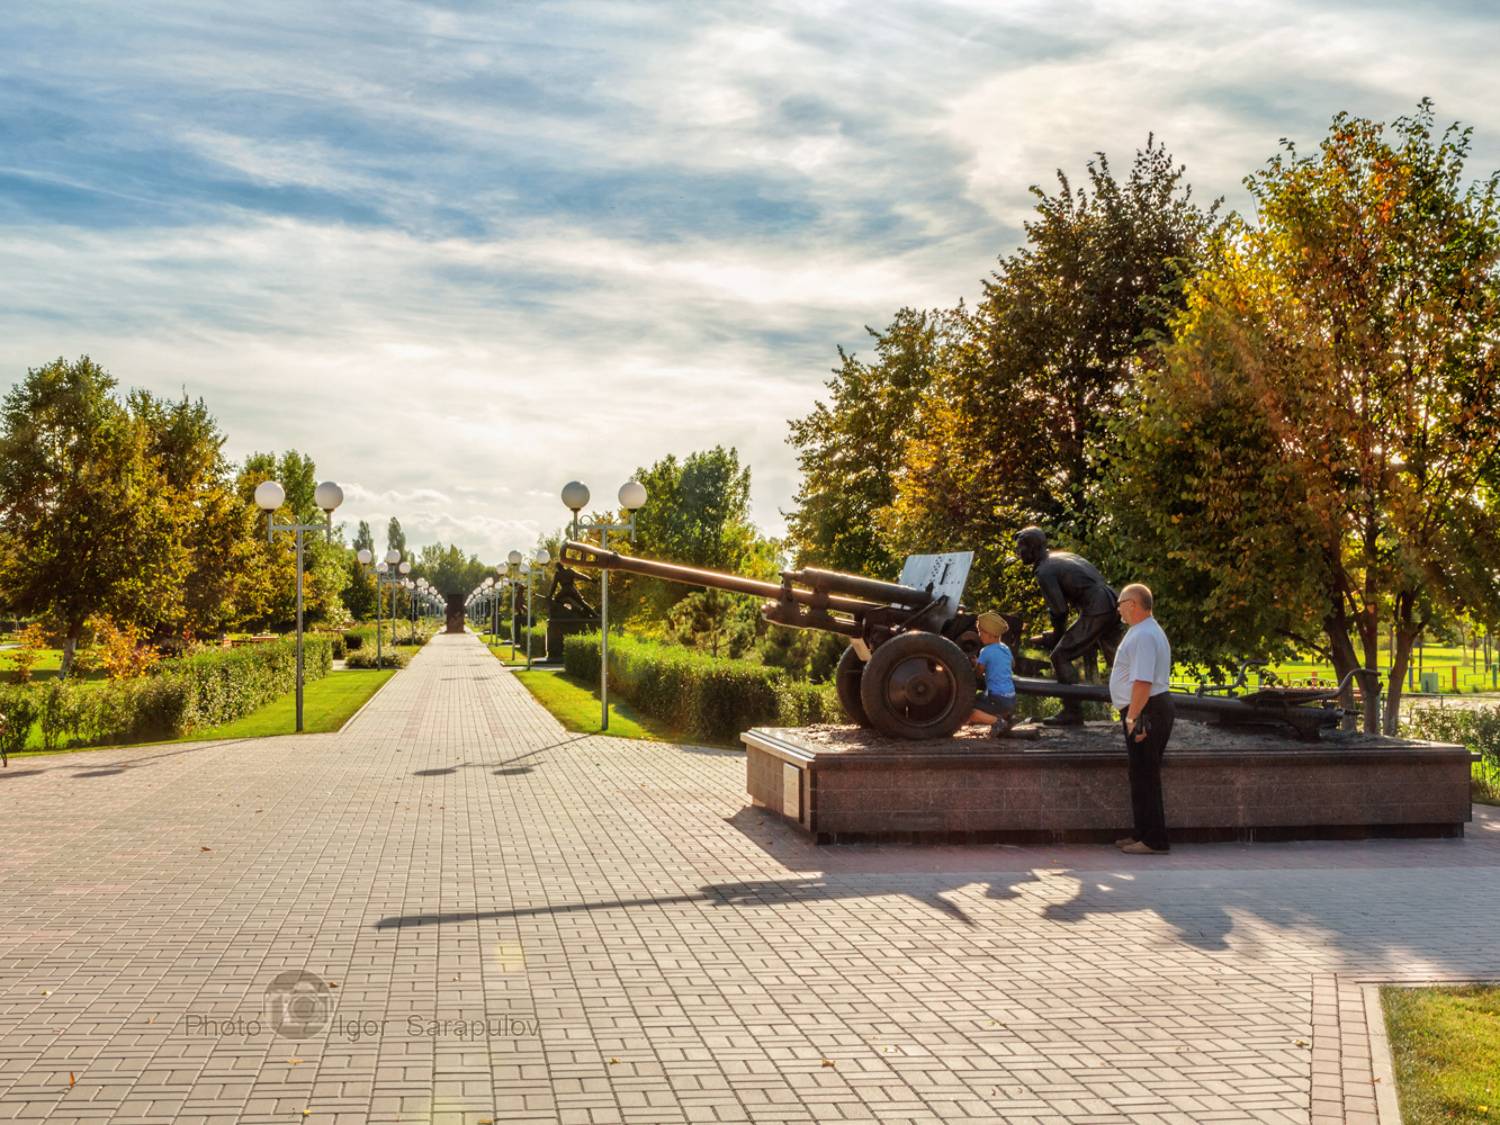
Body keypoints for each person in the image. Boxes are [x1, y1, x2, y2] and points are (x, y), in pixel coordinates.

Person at [1015, 526, 1122, 725]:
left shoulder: (1044, 571)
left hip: (1097, 607)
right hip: (1111, 601)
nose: (1018, 554)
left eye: (1020, 549)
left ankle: (1072, 711)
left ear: (1033, 548)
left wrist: (1057, 636)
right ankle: (1136, 707)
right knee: (1118, 658)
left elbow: (1059, 610)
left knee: (1059, 655)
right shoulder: (1062, 556)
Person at [1111, 583, 1174, 855]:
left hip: (1146, 710)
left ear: (1133, 604)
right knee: (1140, 774)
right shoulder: (1143, 631)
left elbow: (1143, 681)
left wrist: (1132, 717)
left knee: (1146, 775)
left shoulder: (1144, 635)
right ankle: (1142, 834)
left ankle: (1154, 840)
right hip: (1147, 708)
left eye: (1121, 603)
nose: (1119, 609)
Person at [968, 611, 1018, 736]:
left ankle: (998, 722)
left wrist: (976, 664)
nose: (979, 635)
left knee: (968, 709)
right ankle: (1005, 717)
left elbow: (978, 674)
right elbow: (1012, 664)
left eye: (980, 632)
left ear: (989, 634)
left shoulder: (986, 651)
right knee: (979, 699)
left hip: (998, 699)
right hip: (1011, 698)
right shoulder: (1005, 648)